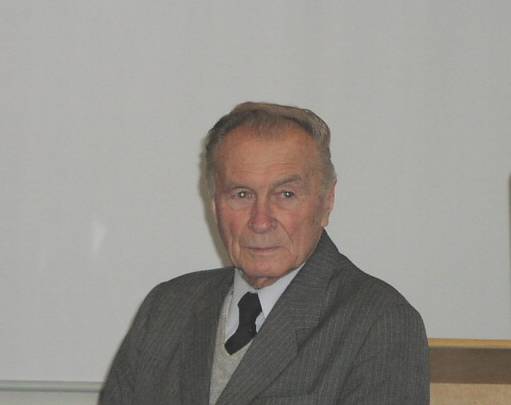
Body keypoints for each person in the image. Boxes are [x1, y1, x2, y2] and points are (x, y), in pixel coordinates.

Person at [100, 102, 429, 405]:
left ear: (326, 202)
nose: (260, 221)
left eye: (286, 194)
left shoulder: (379, 322)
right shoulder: (166, 309)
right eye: (242, 194)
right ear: (214, 204)